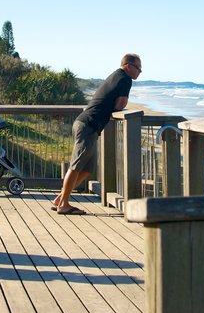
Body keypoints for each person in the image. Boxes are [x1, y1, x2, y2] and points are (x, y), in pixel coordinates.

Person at [53, 53, 142, 215]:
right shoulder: (125, 79)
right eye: (138, 68)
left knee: (87, 168)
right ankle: (64, 205)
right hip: (88, 125)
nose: (140, 71)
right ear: (128, 66)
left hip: (87, 125)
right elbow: (119, 105)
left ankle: (60, 198)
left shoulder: (116, 75)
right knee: (76, 166)